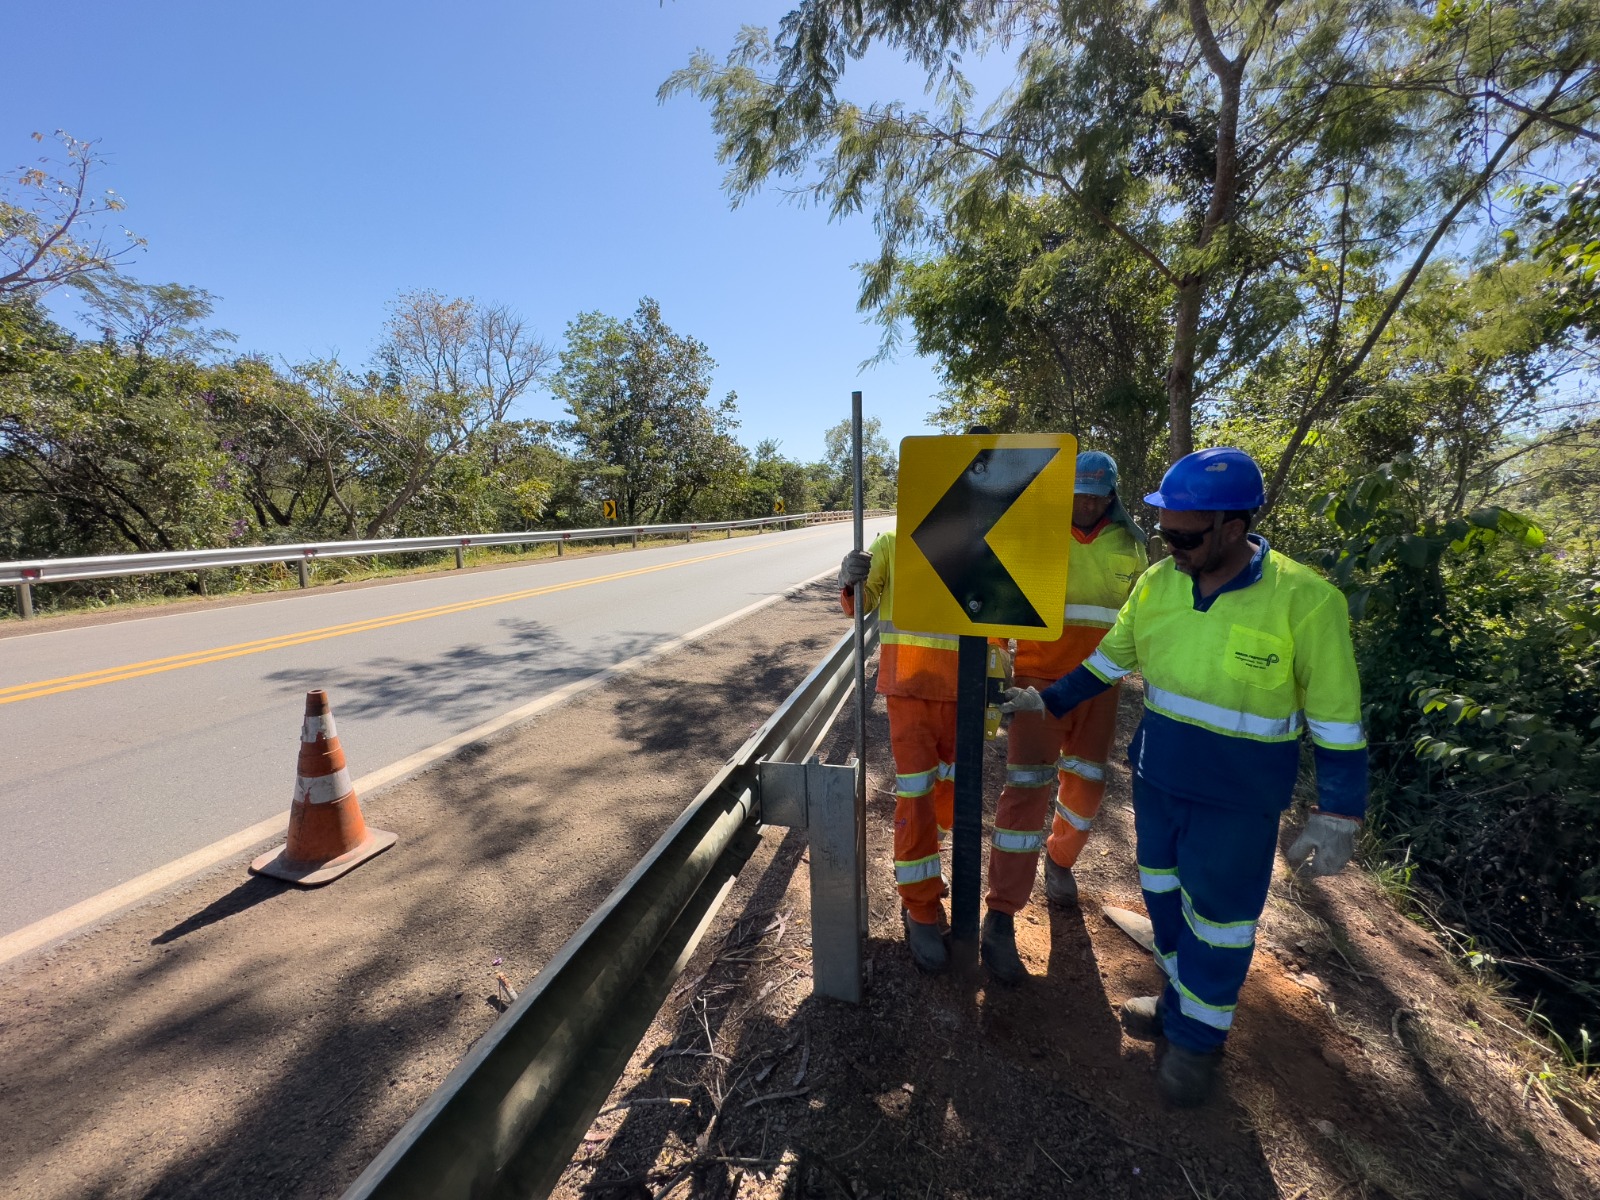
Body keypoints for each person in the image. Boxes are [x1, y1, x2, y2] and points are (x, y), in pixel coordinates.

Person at [1002, 447, 1367, 1105]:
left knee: (1220, 920)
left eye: (1187, 535)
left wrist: (1339, 809)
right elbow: (1109, 662)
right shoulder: (1158, 585)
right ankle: (1179, 1006)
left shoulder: (1308, 602)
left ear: (1235, 525)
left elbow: (1338, 722)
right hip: (1160, 782)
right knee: (1166, 903)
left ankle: (1198, 1045)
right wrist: (1047, 701)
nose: (1172, 546)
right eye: (1166, 530)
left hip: (1238, 798)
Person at [979, 450, 1148, 985]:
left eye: (1097, 494)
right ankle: (1000, 915)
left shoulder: (1132, 545)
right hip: (1035, 686)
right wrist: (995, 676)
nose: (1086, 503)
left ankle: (1060, 862)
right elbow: (1001, 609)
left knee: (1087, 788)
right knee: (1026, 790)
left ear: (1112, 496)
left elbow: (1141, 618)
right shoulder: (1036, 537)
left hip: (1099, 687)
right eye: (1077, 494)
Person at [840, 530, 1009, 973]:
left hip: (969, 690)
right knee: (917, 799)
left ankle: (928, 870)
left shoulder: (987, 532)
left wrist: (999, 680)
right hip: (911, 691)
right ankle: (920, 910)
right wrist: (851, 579)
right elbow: (861, 604)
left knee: (948, 798)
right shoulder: (893, 540)